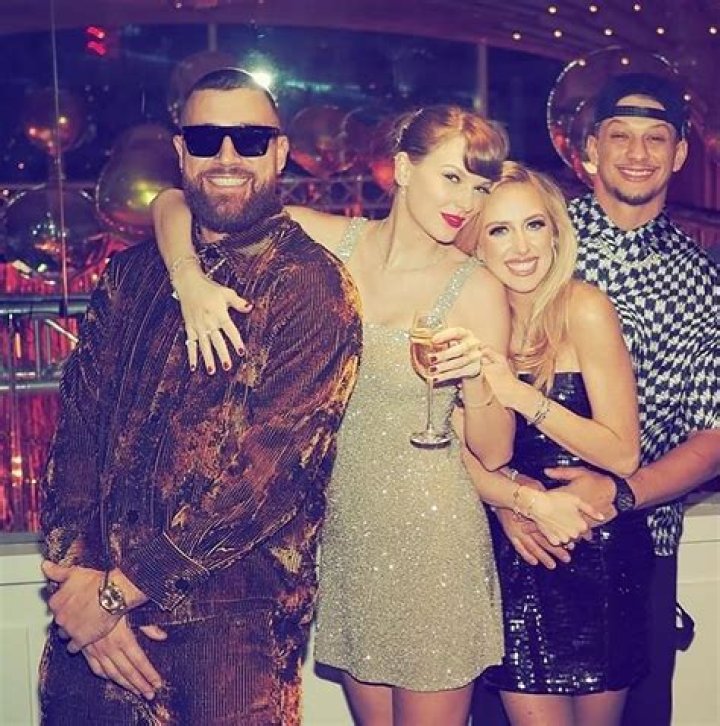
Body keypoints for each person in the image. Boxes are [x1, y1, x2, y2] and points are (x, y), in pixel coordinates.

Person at [152, 104, 596, 725]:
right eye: (451, 178)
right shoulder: (330, 241)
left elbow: (494, 451)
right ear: (404, 169)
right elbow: (176, 205)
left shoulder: (475, 286)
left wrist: (475, 380)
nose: (465, 202)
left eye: (478, 187)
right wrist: (190, 281)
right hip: (348, 535)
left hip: (435, 540)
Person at [38, 67, 363, 726]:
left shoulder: (311, 287)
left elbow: (268, 477)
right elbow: (77, 429)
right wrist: (78, 578)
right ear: (181, 151)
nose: (227, 157)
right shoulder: (133, 275)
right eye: (207, 138)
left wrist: (118, 594)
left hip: (229, 634)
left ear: (279, 152)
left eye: (250, 139)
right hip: (92, 630)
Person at [473, 72, 720, 726]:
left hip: (638, 542)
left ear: (679, 154)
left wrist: (621, 493)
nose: (638, 153)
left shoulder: (704, 282)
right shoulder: (533, 235)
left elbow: (714, 433)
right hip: (514, 538)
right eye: (620, 136)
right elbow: (451, 405)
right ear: (588, 149)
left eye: (656, 138)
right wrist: (508, 503)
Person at [459, 162, 651, 726]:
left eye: (534, 225)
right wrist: (507, 504)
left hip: (596, 548)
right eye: (500, 230)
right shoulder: (467, 320)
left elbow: (623, 453)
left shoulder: (584, 308)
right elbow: (448, 448)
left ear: (556, 233)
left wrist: (521, 396)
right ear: (476, 242)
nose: (521, 247)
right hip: (516, 549)